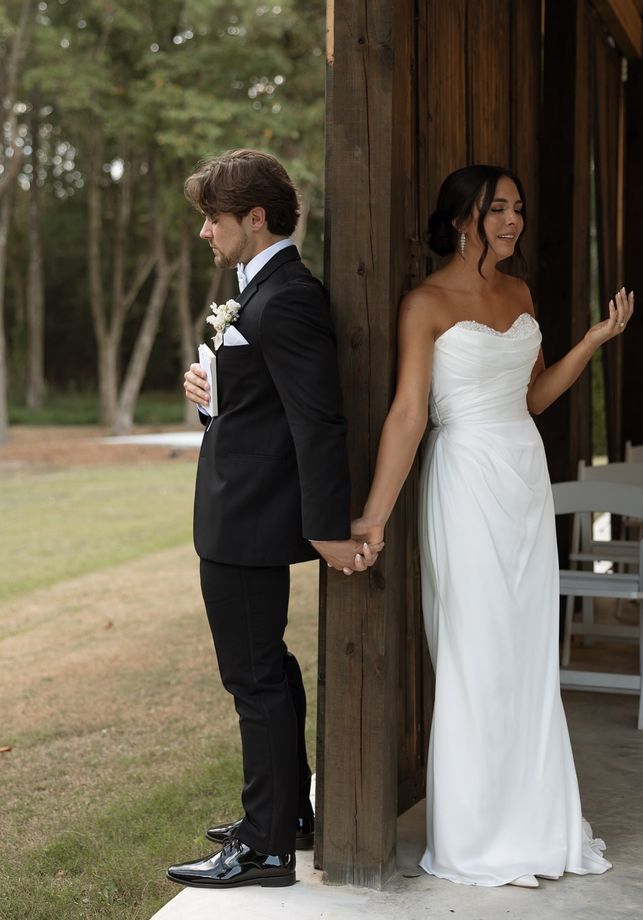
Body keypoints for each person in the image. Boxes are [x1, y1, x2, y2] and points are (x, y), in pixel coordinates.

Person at [352, 165, 630, 888]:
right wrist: (373, 519)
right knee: (475, 650)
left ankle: (539, 825)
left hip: (523, 477)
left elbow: (533, 395)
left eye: (518, 208)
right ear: (462, 218)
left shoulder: (520, 294)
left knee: (527, 652)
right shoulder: (426, 303)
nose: (513, 220)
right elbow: (409, 416)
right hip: (465, 477)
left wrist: (594, 340)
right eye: (498, 208)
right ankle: (477, 836)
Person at [168, 149, 381, 890]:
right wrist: (208, 396)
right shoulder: (259, 291)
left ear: (254, 219)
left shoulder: (286, 295)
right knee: (272, 670)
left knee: (253, 678)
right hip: (239, 512)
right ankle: (287, 817)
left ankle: (262, 850)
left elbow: (318, 419)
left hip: (251, 521)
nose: (206, 234)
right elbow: (260, 411)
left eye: (213, 220)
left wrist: (327, 528)